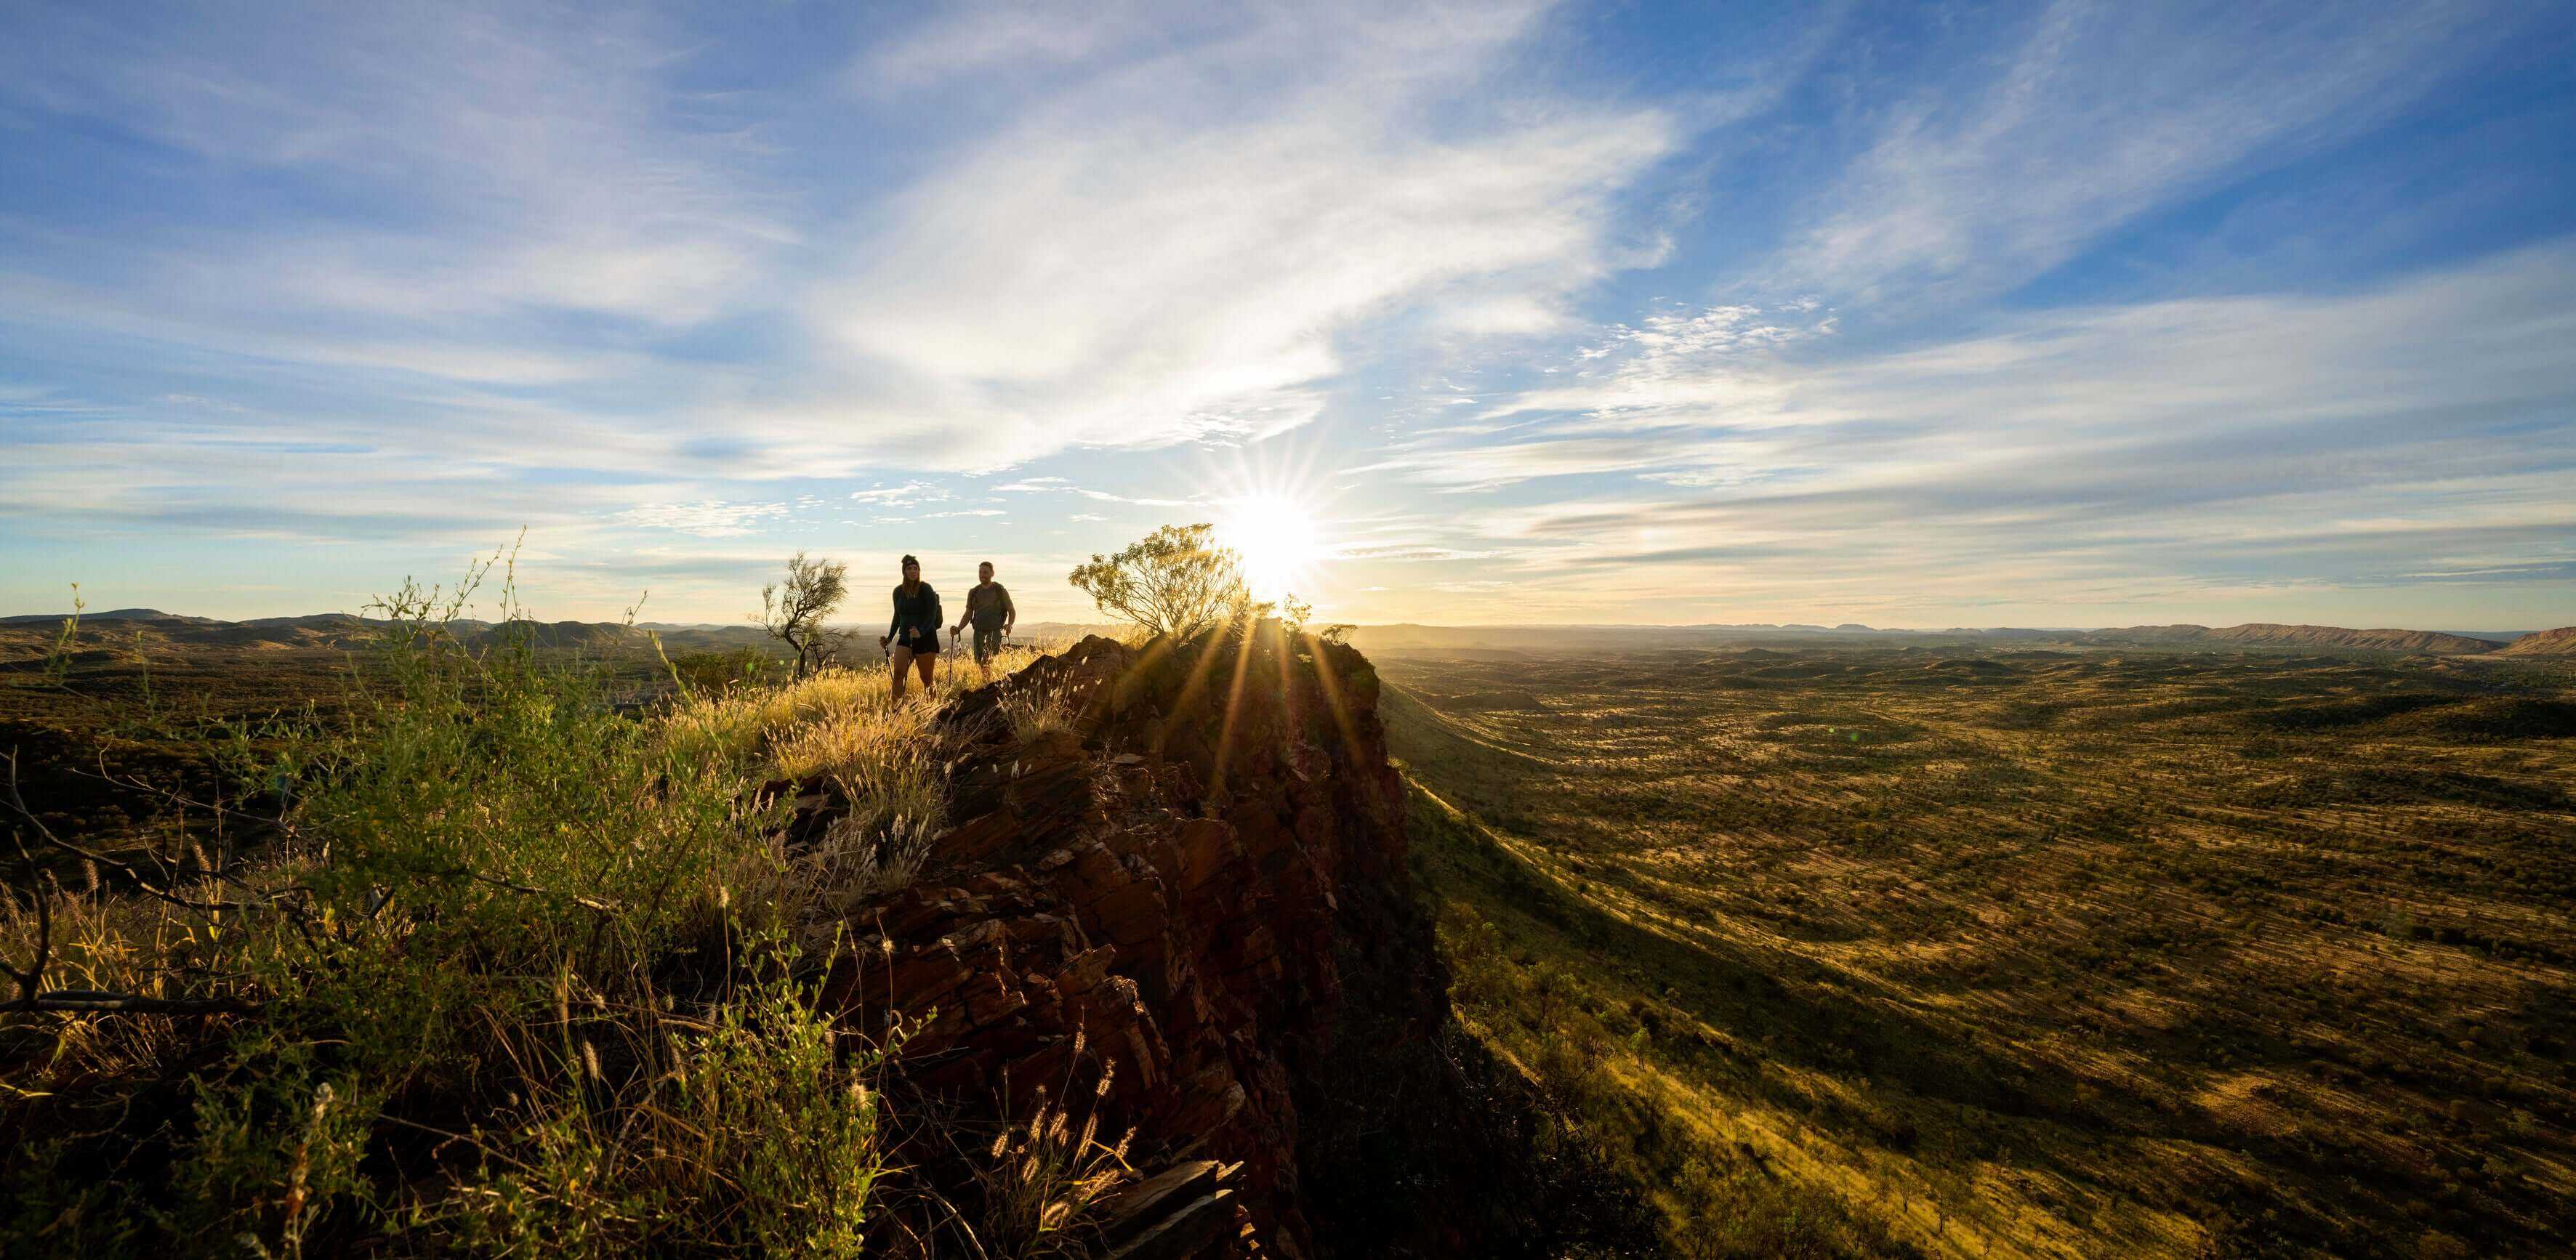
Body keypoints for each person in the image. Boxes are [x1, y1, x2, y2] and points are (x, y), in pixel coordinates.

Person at [880, 554, 942, 701]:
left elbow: (932, 614)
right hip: (905, 638)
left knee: (926, 679)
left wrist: (920, 631)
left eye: (916, 568)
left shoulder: (926, 589)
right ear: (904, 571)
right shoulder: (898, 592)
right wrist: (890, 637)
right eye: (909, 568)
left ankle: (934, 711)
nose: (913, 571)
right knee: (898, 675)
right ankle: (894, 711)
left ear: (919, 571)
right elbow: (897, 616)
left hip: (926, 638)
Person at [952, 560, 1017, 679]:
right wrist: (959, 628)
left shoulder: (1000, 590)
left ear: (992, 573)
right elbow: (968, 614)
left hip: (994, 631)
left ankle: (988, 686)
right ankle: (988, 685)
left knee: (987, 661)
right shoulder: (974, 592)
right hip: (978, 632)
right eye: (980, 572)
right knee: (980, 662)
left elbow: (1012, 610)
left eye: (985, 572)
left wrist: (1010, 625)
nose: (982, 575)